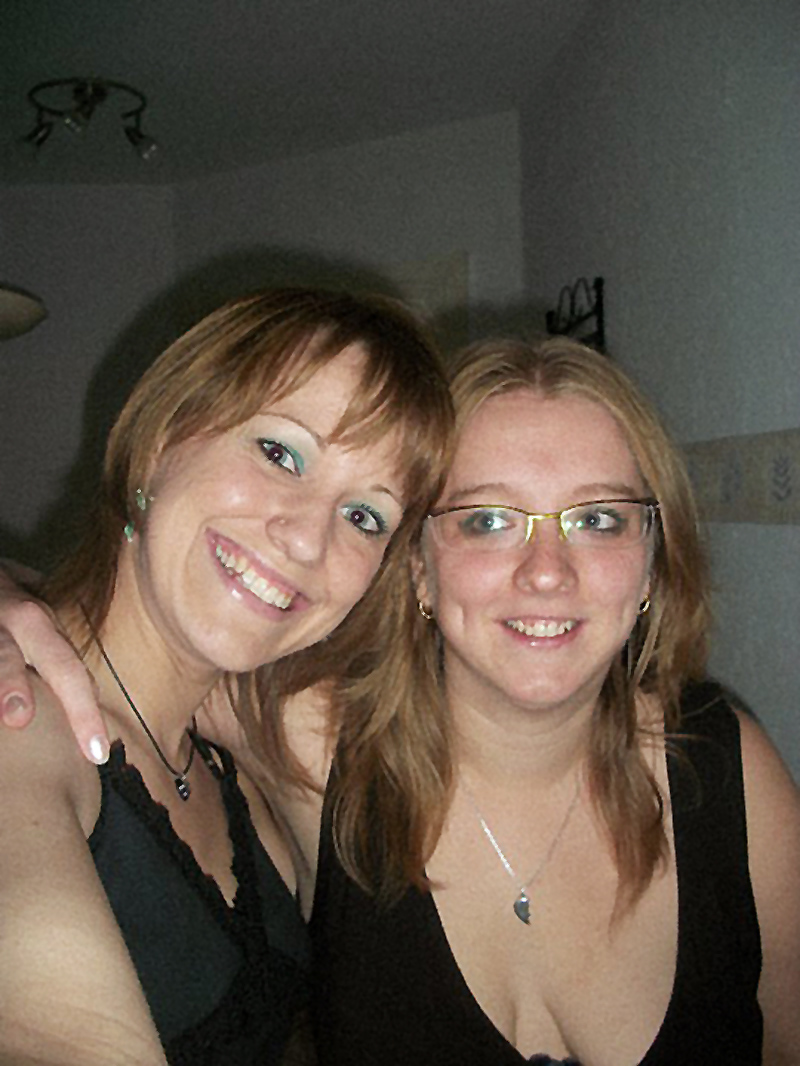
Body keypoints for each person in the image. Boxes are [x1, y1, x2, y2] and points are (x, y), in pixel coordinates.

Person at [2, 337, 799, 1064]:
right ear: (416, 567)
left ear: (653, 559)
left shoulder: (728, 773)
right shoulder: (315, 739)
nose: (546, 571)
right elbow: (131, 630)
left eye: (597, 519)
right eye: (487, 520)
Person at [0, 286, 452, 1066]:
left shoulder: (236, 759)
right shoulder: (19, 722)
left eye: (364, 516)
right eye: (281, 453)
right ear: (161, 439)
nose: (308, 539)